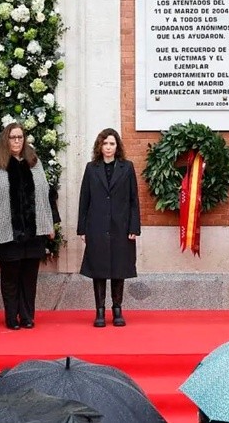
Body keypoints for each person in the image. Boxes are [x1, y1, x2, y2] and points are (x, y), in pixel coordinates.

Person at [0, 123, 58, 330]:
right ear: (6, 139)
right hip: (5, 231)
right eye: (13, 137)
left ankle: (27, 316)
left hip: (34, 231)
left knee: (29, 277)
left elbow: (46, 195)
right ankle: (12, 317)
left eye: (20, 137)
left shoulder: (34, 163)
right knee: (10, 276)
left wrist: (51, 224)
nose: (17, 141)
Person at [77, 128, 141, 327]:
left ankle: (117, 309)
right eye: (105, 143)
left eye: (112, 143)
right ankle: (100, 310)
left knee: (119, 267)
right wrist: (82, 229)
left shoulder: (127, 167)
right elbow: (84, 199)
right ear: (99, 145)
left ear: (117, 146)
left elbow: (133, 200)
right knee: (99, 268)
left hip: (121, 226)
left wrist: (134, 227)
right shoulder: (91, 168)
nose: (108, 147)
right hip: (96, 225)